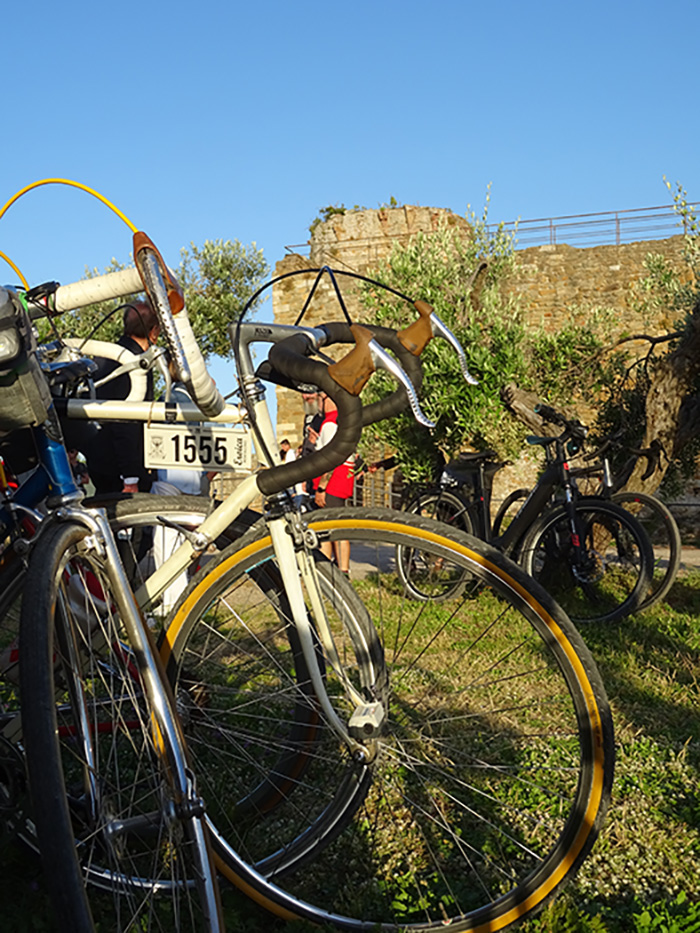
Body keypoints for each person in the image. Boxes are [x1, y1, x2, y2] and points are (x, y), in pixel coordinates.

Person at [87, 301, 161, 495]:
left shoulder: (104, 357)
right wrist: (131, 476)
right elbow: (126, 419)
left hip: (100, 463)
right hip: (124, 473)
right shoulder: (136, 364)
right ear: (154, 332)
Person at [313, 392, 356, 574]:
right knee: (329, 529)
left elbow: (331, 458)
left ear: (327, 399)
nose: (317, 402)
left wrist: (321, 487)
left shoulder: (330, 423)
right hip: (340, 481)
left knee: (333, 530)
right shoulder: (342, 421)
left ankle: (342, 571)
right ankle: (331, 572)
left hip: (333, 484)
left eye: (319, 398)